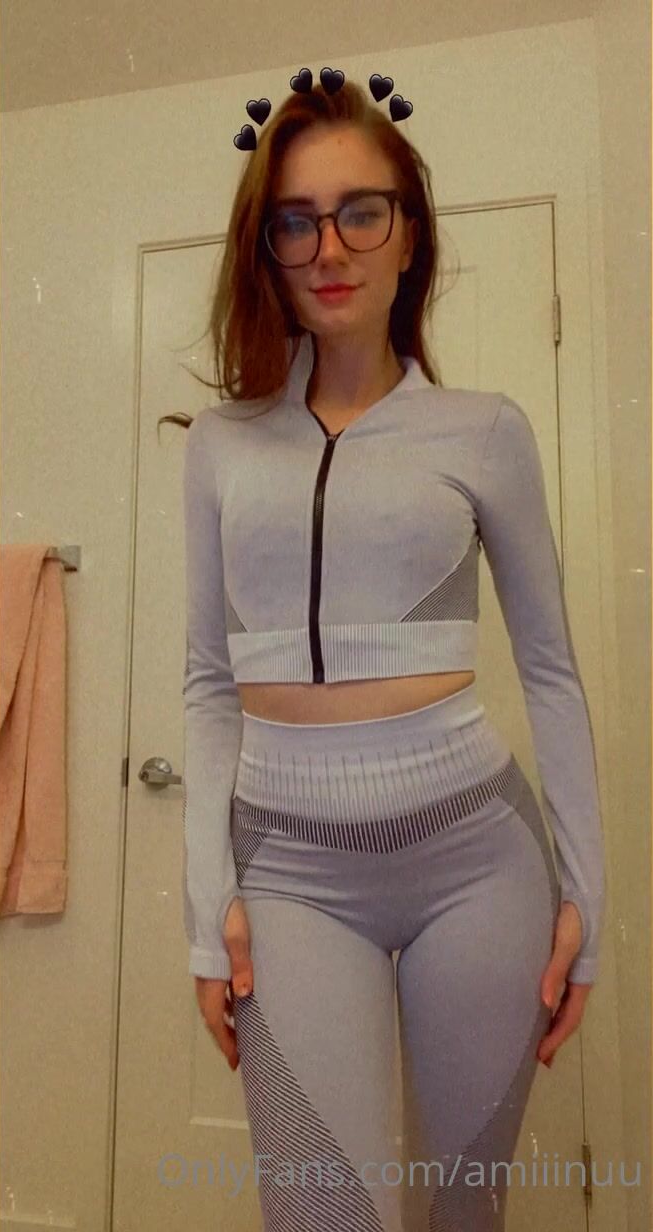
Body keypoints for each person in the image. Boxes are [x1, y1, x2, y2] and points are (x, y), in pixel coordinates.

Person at [180, 74, 605, 1232]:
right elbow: (210, 684)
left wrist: (586, 896)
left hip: (477, 862)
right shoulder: (220, 445)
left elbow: (550, 670)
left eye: (359, 212)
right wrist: (205, 908)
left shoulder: (484, 430)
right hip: (287, 872)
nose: (329, 247)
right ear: (264, 246)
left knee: (464, 1213)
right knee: (321, 1213)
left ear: (407, 232)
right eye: (295, 220)